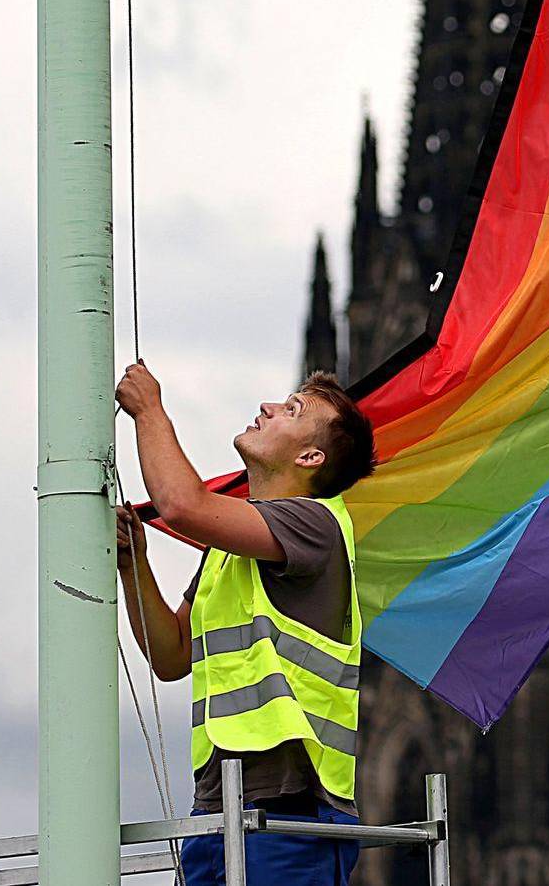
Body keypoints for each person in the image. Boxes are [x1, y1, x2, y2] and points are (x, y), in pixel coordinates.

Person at [114, 362, 377, 886]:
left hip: (293, 812)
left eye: (292, 409)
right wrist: (133, 563)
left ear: (310, 457)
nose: (268, 408)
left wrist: (150, 411)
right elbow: (170, 657)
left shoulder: (316, 521)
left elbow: (182, 505)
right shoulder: (228, 549)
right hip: (215, 808)